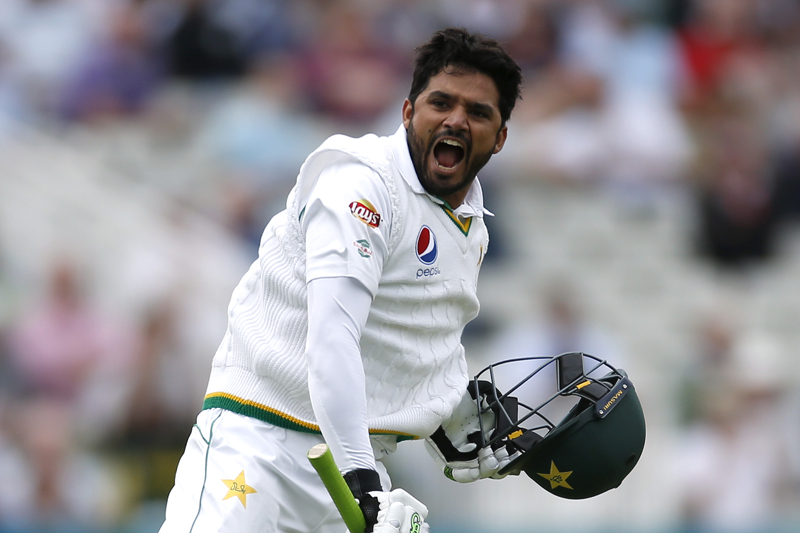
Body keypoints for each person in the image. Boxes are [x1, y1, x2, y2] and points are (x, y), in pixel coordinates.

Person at [159, 27, 523, 533]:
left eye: (479, 112)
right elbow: (332, 336)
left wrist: (450, 418)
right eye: (441, 102)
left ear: (500, 137)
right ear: (408, 112)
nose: (456, 120)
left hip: (356, 465)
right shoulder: (361, 185)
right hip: (261, 445)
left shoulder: (471, 224)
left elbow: (407, 336)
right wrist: (363, 478)